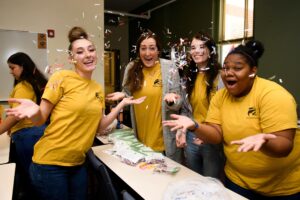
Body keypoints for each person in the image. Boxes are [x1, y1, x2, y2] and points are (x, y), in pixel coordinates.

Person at [6, 26, 145, 200]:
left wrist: (120, 105)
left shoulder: (97, 88)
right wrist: (34, 112)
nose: (87, 55)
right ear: (72, 58)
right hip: (49, 164)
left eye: (91, 50)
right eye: (80, 52)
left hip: (78, 164)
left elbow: (100, 127)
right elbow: (40, 118)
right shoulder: (61, 78)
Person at [163, 40, 300, 199]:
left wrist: (265, 141)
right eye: (226, 68)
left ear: (253, 71)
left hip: (281, 188)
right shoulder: (220, 97)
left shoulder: (273, 95)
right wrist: (195, 126)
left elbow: (285, 146)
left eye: (237, 68)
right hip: (237, 181)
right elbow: (216, 134)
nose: (228, 72)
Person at [106, 31, 183, 163]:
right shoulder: (131, 68)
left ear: (158, 50)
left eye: (152, 48)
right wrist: (123, 94)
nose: (148, 53)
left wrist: (173, 100)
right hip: (140, 138)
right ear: (138, 51)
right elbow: (129, 94)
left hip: (163, 141)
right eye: (143, 48)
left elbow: (180, 102)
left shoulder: (169, 67)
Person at [0, 52, 48, 199]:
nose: (11, 71)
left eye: (12, 67)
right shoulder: (31, 83)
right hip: (32, 134)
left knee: (33, 176)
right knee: (36, 174)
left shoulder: (23, 86)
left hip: (28, 136)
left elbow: (15, 116)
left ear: (22, 66)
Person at [177, 32, 224, 178]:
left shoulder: (221, 77)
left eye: (202, 46)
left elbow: (226, 110)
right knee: (194, 179)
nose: (197, 51)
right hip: (192, 137)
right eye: (193, 47)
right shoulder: (188, 78)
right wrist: (183, 131)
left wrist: (207, 134)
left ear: (211, 50)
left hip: (212, 137)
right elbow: (185, 110)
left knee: (211, 182)